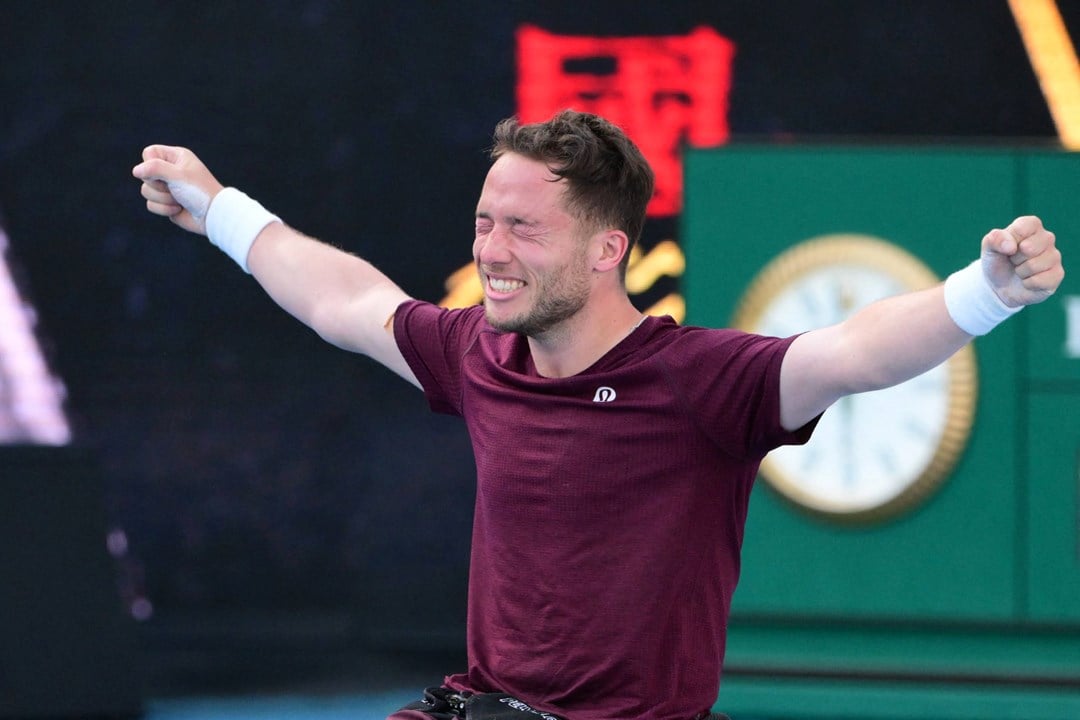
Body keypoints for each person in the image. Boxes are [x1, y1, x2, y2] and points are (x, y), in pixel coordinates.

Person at [132, 110, 1064, 720]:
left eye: (524, 229)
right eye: (484, 221)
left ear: (609, 248)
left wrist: (984, 293)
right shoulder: (478, 351)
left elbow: (858, 351)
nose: (491, 250)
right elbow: (344, 300)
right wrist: (221, 212)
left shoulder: (703, 382)